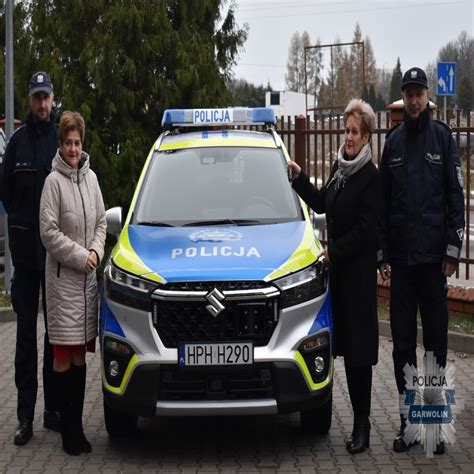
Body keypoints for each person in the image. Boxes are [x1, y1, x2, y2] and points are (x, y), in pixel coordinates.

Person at [378, 67, 464, 454]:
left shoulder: (442, 138)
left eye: (419, 94)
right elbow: (381, 205)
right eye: (408, 94)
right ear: (403, 97)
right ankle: (407, 421)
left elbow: (455, 198)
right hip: (402, 264)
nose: (414, 101)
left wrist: (451, 252)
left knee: (435, 347)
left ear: (428, 97)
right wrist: (382, 254)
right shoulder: (392, 142)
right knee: (401, 349)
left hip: (432, 265)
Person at [288, 99, 380, 454]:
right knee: (343, 352)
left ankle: (363, 425)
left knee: (359, 358)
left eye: (355, 131)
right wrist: (299, 179)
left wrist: (333, 252)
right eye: (346, 130)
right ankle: (357, 421)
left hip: (357, 281)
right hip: (338, 280)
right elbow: (323, 202)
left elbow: (367, 230)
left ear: (367, 135)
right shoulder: (341, 170)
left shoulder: (370, 177)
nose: (348, 137)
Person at [39, 111, 106, 455]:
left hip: (86, 287)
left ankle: (77, 428)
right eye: (67, 142)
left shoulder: (91, 179)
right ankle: (67, 432)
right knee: (63, 357)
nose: (73, 148)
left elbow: (101, 222)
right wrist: (82, 257)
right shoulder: (53, 183)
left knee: (81, 359)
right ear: (60, 143)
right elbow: (49, 233)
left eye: (77, 142)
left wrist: (95, 250)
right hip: (64, 284)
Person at [0, 71, 60, 445]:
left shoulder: (61, 139)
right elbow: (4, 190)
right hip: (25, 259)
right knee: (25, 340)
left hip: (55, 260)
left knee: (56, 338)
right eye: (36, 97)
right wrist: (22, 222)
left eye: (46, 97)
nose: (42, 104)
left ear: (53, 99)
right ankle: (25, 417)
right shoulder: (17, 143)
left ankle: (53, 410)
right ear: (30, 98)